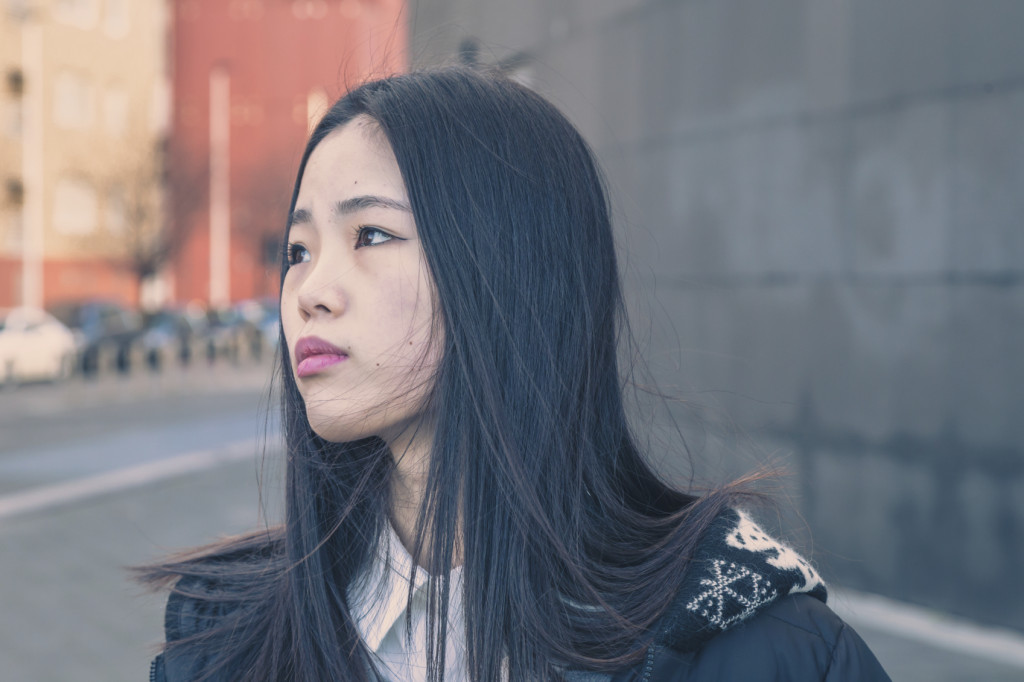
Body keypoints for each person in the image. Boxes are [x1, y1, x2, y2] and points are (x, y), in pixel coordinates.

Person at [141, 66, 889, 681]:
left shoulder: (752, 644)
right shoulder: (220, 632)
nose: (309, 291)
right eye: (297, 251)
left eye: (370, 234)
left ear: (512, 269)